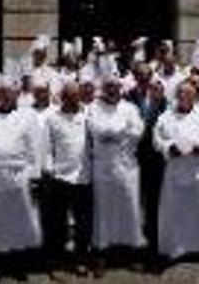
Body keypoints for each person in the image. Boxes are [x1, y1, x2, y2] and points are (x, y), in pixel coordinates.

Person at [153, 82, 199, 262]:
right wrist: (169, 148)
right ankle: (176, 249)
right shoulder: (165, 117)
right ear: (177, 96)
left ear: (195, 97)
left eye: (189, 95)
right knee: (175, 211)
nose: (185, 98)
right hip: (176, 170)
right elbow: (157, 140)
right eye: (182, 94)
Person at [0, 72, 44, 259]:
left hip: (20, 177)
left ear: (16, 94)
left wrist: (34, 177)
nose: (6, 96)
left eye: (10, 93)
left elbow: (35, 148)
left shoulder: (28, 116)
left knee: (20, 221)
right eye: (3, 93)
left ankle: (19, 262)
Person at [88, 69, 145, 272]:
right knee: (103, 211)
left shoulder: (130, 107)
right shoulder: (94, 107)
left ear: (121, 88)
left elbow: (138, 130)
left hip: (126, 166)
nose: (112, 90)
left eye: (115, 86)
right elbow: (96, 129)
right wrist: (120, 131)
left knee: (130, 209)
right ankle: (101, 253)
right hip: (103, 167)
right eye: (108, 87)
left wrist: (115, 133)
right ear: (103, 88)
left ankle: (132, 251)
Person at [44, 82, 93, 276]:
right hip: (60, 177)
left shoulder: (87, 116)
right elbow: (47, 149)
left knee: (83, 223)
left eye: (77, 96)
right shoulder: (52, 119)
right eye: (71, 96)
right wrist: (49, 170)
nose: (75, 99)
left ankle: (81, 259)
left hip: (84, 175)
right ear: (63, 97)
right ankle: (58, 258)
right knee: (58, 222)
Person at [125, 61, 168, 258]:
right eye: (139, 76)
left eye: (147, 76)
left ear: (151, 76)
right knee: (134, 200)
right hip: (133, 157)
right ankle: (133, 241)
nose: (143, 79)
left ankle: (154, 243)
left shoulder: (161, 97)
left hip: (155, 158)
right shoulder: (128, 97)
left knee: (153, 201)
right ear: (134, 76)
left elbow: (168, 122)